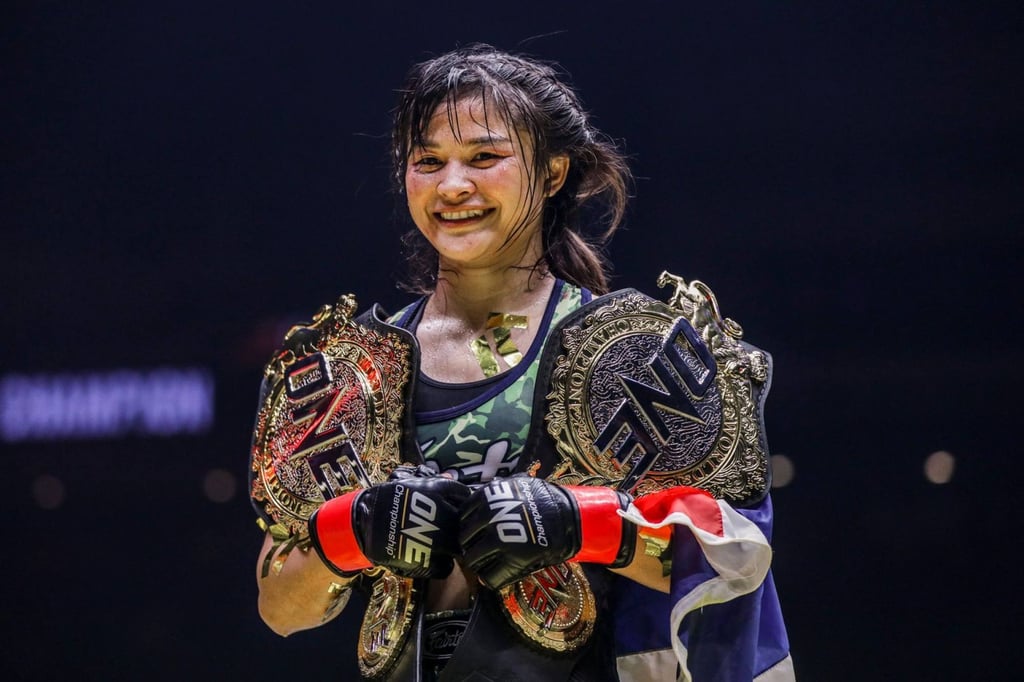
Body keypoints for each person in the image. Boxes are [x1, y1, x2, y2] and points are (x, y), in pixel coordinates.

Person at [251, 43, 794, 681]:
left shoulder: (634, 358)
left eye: (484, 157)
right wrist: (353, 530)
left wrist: (579, 522)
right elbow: (280, 606)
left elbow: (731, 560)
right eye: (428, 161)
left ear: (553, 171)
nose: (453, 186)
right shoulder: (350, 374)